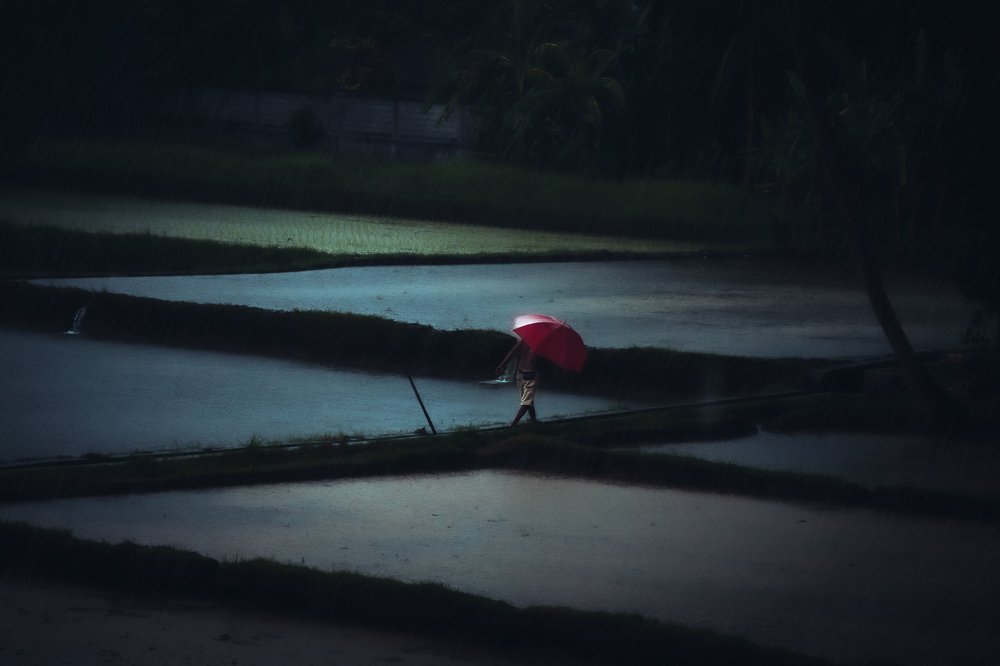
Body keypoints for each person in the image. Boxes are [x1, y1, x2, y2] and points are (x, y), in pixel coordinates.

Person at [496, 339, 538, 426]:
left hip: (522, 373)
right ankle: (516, 424)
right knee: (526, 402)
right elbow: (533, 361)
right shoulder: (537, 345)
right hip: (528, 374)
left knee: (526, 401)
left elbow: (512, 352)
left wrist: (502, 365)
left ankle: (531, 422)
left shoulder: (526, 340)